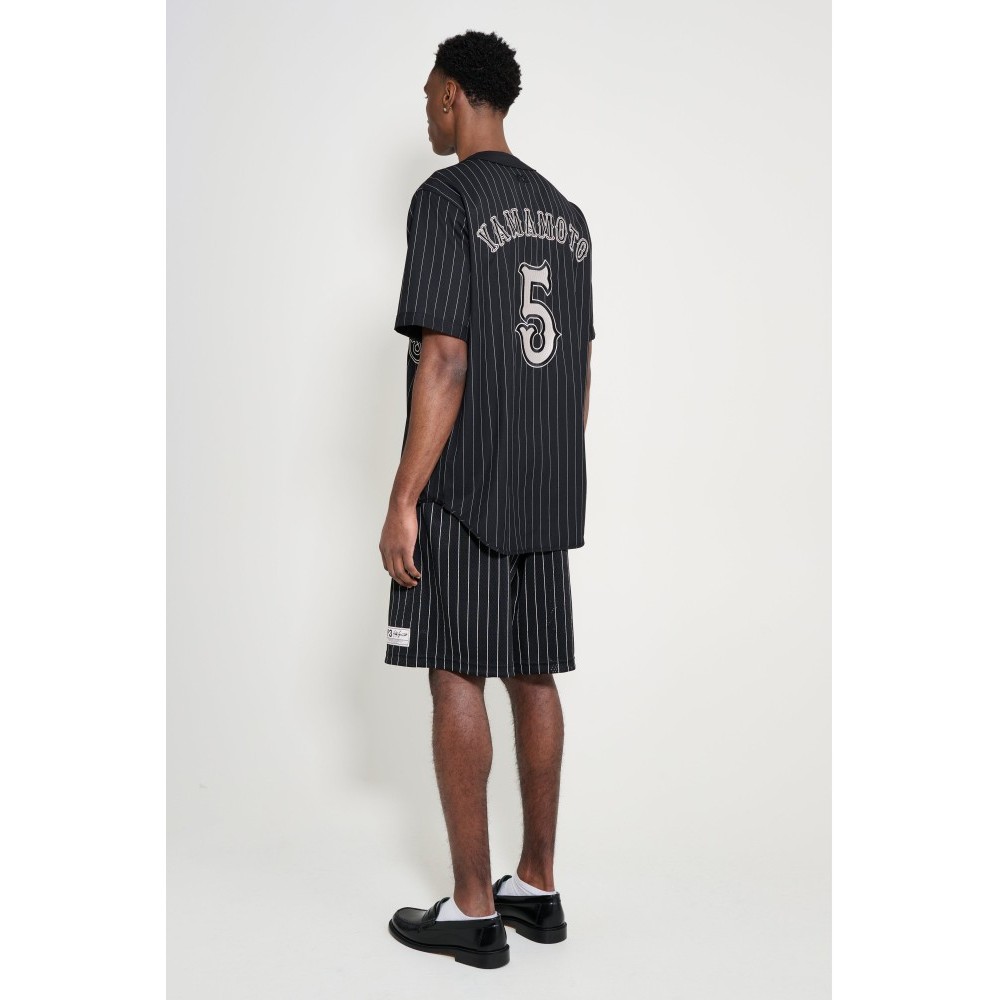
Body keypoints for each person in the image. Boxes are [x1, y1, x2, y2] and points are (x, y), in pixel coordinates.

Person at [379, 29, 596, 970]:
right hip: (547, 478)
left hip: (465, 483)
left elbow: (447, 357)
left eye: (431, 94)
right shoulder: (568, 215)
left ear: (457, 95)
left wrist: (404, 498)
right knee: (534, 673)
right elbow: (579, 367)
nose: (427, 111)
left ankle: (473, 909)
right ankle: (536, 888)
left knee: (457, 672)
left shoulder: (446, 198)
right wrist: (554, 464)